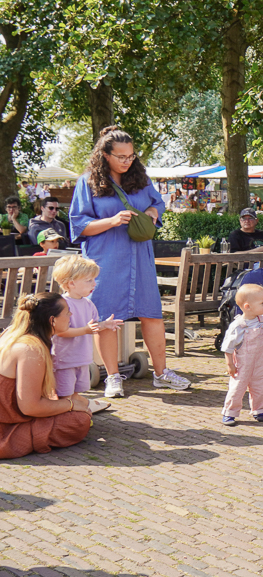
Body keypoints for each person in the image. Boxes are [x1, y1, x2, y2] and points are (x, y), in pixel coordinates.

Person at [69, 126, 192, 397]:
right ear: (104, 155)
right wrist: (111, 221)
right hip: (106, 258)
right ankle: (113, 377)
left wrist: (151, 210)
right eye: (121, 156)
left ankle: (161, 374)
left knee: (152, 314)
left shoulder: (141, 179)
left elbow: (158, 204)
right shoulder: (87, 181)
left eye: (131, 156)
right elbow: (78, 225)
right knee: (108, 317)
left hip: (140, 256)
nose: (127, 161)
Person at [0, 293, 93, 459]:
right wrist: (71, 405)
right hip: (5, 427)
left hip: (10, 416)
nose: (70, 316)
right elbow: (30, 407)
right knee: (79, 420)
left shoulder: (14, 335)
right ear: (52, 320)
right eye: (67, 313)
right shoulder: (30, 349)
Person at [51, 257, 121, 405]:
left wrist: (105, 325)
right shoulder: (62, 304)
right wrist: (85, 330)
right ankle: (69, 420)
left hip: (82, 358)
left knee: (76, 393)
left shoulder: (88, 303)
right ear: (71, 283)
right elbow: (60, 332)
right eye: (89, 280)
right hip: (65, 359)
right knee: (65, 394)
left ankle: (78, 411)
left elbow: (92, 327)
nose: (94, 283)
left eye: (94, 279)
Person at [220, 283, 263, 426]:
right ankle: (229, 412)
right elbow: (228, 347)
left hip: (260, 362)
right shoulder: (239, 326)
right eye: (262, 303)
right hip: (243, 364)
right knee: (237, 388)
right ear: (247, 306)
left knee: (260, 386)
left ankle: (259, 409)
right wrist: (230, 364)